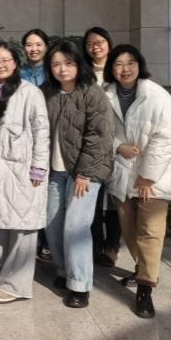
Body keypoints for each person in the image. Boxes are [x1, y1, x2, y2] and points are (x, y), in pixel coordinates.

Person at [104, 44, 171, 319]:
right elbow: (100, 131)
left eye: (131, 63)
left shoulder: (157, 96)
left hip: (156, 176)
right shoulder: (105, 95)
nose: (125, 69)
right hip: (123, 172)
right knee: (129, 230)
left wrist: (147, 176)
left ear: (139, 65)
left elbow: (168, 138)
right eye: (119, 63)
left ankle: (144, 289)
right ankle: (143, 270)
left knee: (150, 231)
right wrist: (118, 146)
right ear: (111, 68)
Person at [43, 40, 114, 308]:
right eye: (56, 64)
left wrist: (84, 173)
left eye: (68, 63)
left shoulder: (91, 93)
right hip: (54, 172)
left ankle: (80, 284)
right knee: (52, 224)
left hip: (84, 172)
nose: (62, 69)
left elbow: (99, 135)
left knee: (75, 227)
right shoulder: (47, 92)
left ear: (78, 64)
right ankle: (65, 271)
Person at [0, 42, 50, 304]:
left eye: (6, 60)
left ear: (16, 63)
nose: (0, 65)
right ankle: (6, 271)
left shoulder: (30, 92)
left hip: (22, 169)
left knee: (22, 226)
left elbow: (42, 131)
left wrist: (39, 168)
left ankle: (16, 285)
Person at [83, 26, 122, 267]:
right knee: (93, 199)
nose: (95, 47)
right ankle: (96, 243)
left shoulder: (118, 70)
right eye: (90, 43)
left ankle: (112, 246)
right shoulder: (83, 73)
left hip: (118, 143)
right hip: (92, 144)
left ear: (108, 43)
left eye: (99, 42)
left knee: (115, 196)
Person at [19, 28, 52, 261]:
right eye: (29, 45)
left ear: (46, 46)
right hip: (25, 138)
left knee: (48, 191)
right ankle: (32, 240)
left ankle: (48, 241)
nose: (34, 49)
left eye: (38, 44)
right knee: (30, 189)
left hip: (51, 135)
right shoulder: (18, 72)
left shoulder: (53, 71)